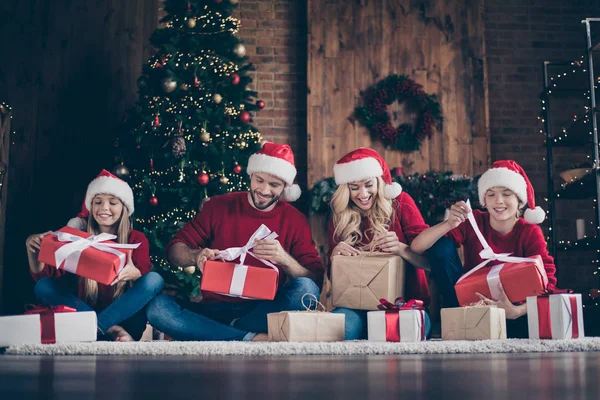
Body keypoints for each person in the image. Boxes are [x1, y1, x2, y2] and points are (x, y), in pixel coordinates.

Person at [146, 142, 324, 341]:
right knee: (158, 308)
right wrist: (196, 256)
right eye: (259, 180)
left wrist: (285, 259)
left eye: (274, 185)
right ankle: (248, 337)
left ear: (285, 187)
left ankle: (221, 333)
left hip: (263, 311)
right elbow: (173, 251)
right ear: (251, 176)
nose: (264, 190)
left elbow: (315, 279)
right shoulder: (218, 207)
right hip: (213, 309)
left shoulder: (294, 220)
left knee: (306, 291)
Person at [410, 160, 557, 338]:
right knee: (441, 245)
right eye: (491, 194)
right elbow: (417, 247)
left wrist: (517, 311)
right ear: (483, 200)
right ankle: (458, 313)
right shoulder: (475, 221)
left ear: (519, 201)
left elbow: (548, 282)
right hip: (470, 306)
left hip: (513, 312)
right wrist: (448, 224)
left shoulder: (529, 232)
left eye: (506, 194)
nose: (499, 201)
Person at [27, 170, 164, 341]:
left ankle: (98, 327)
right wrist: (33, 251)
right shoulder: (76, 238)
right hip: (84, 311)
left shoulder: (136, 239)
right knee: (43, 286)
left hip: (125, 319)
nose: (104, 208)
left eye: (112, 203)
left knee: (154, 279)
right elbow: (45, 277)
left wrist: (135, 274)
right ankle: (107, 329)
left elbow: (146, 284)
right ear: (90, 207)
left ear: (124, 208)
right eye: (98, 202)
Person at [327, 148, 432, 340]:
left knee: (406, 332)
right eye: (354, 187)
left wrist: (402, 249)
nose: (363, 194)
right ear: (346, 189)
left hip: (403, 304)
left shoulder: (401, 203)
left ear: (379, 182)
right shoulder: (340, 217)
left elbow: (430, 262)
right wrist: (334, 258)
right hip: (355, 307)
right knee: (336, 332)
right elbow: (333, 279)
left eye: (368, 185)